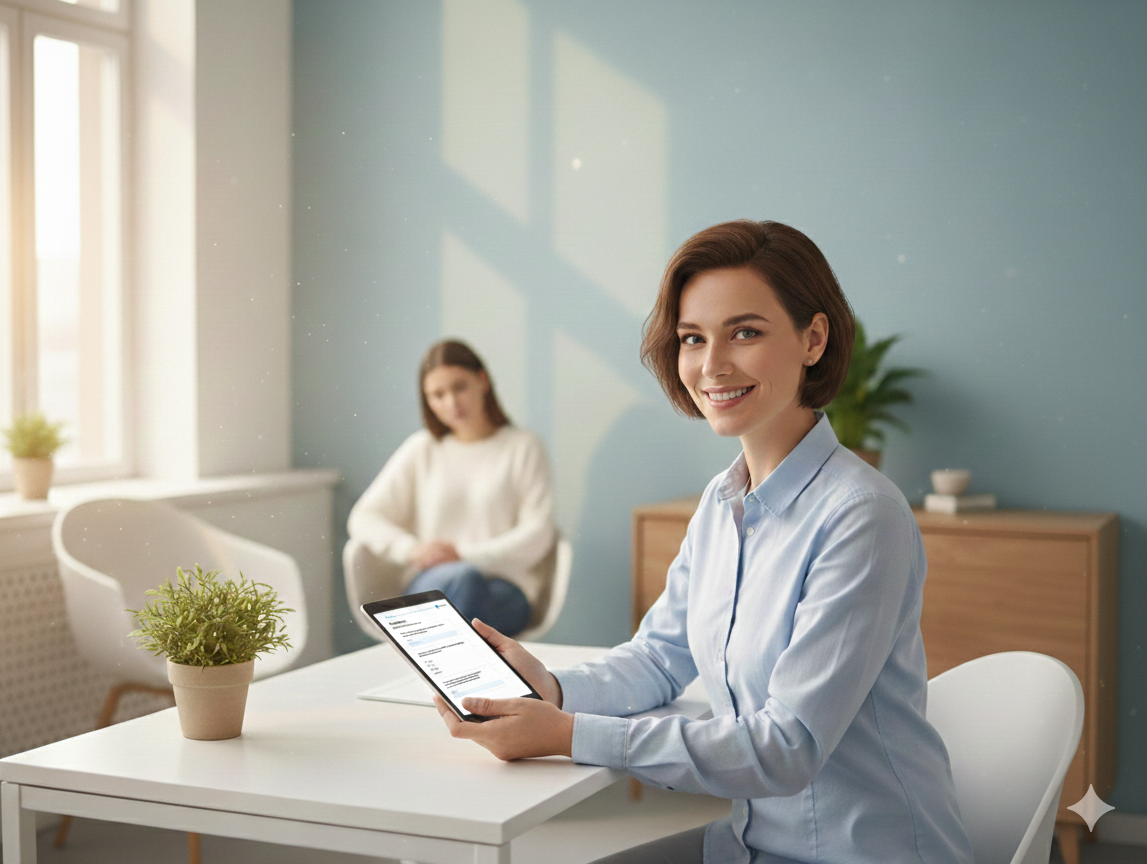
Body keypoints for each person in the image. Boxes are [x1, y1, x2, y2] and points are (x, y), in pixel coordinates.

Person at [432, 221, 975, 864]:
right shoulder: (722, 503)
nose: (711, 365)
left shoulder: (863, 516)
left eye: (745, 332)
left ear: (813, 339)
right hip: (745, 843)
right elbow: (660, 658)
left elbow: (785, 748)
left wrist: (570, 734)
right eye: (693, 338)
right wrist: (551, 689)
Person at [347, 339, 555, 637]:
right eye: (437, 395)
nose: (451, 403)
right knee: (460, 586)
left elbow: (538, 534)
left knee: (465, 583)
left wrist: (464, 555)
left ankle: (433, 668)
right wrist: (411, 549)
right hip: (435, 583)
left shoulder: (523, 447)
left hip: (504, 592)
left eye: (459, 387)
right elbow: (364, 517)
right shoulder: (422, 449)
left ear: (482, 381)